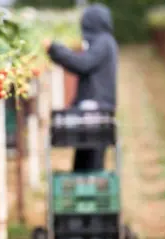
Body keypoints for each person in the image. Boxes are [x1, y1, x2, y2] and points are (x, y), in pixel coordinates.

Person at [43, 3, 118, 172]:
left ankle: (91, 194)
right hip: (94, 112)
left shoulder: (103, 42)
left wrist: (55, 49)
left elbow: (83, 64)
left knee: (92, 161)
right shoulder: (104, 42)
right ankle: (85, 192)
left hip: (97, 112)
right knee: (84, 158)